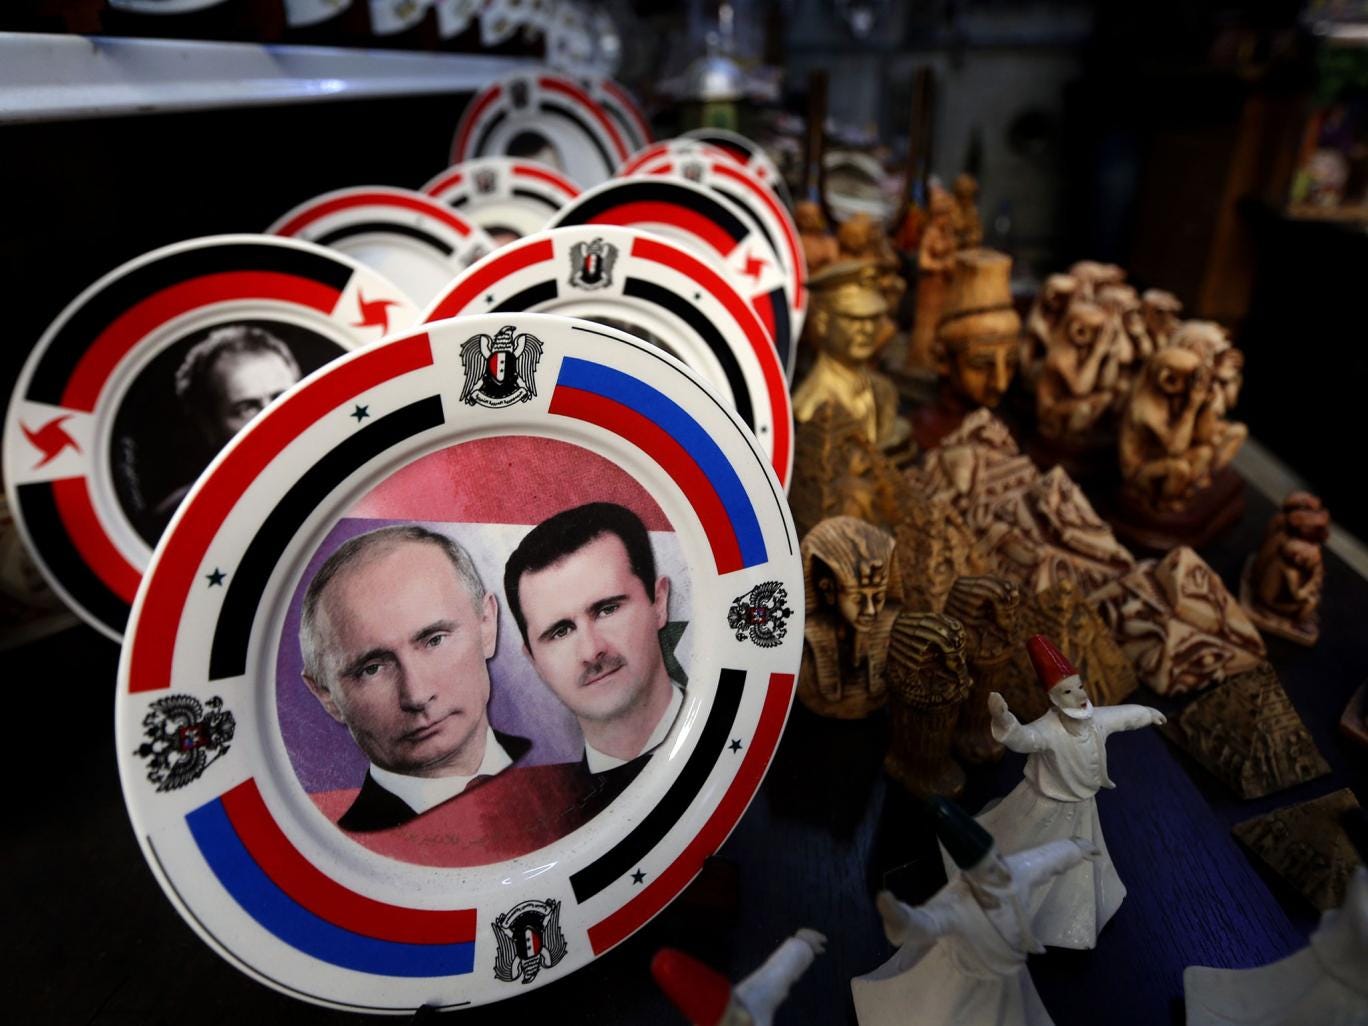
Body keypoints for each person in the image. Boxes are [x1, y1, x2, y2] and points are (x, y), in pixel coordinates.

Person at [299, 524, 590, 858]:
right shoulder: (345, 857)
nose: (417, 695)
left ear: (487, 625)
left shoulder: (580, 770)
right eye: (372, 668)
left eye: (434, 640)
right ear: (325, 695)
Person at [944, 634, 1166, 950]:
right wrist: (1004, 719)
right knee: (1028, 849)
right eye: (1068, 691)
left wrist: (1146, 712)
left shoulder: (1095, 720)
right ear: (1054, 699)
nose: (1078, 696)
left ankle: (1074, 912)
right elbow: (1024, 739)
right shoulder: (1048, 730)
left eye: (1079, 687)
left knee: (1082, 862)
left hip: (1082, 805)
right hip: (1046, 805)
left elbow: (1122, 716)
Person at [852, 797, 1101, 1026]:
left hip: (1009, 970)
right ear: (973, 878)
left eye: (997, 860)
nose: (1000, 871)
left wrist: (1074, 849)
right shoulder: (957, 905)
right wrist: (901, 918)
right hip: (973, 978)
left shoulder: (1015, 873)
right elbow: (929, 923)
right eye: (991, 870)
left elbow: (1045, 860)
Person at [504, 502, 683, 805]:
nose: (591, 650)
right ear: (534, 660)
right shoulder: (551, 824)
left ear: (659, 602)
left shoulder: (756, 727)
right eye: (560, 631)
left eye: (607, 609)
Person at [146, 325, 302, 536]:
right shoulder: (176, 522)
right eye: (246, 408)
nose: (272, 418)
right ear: (208, 425)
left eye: (281, 397)